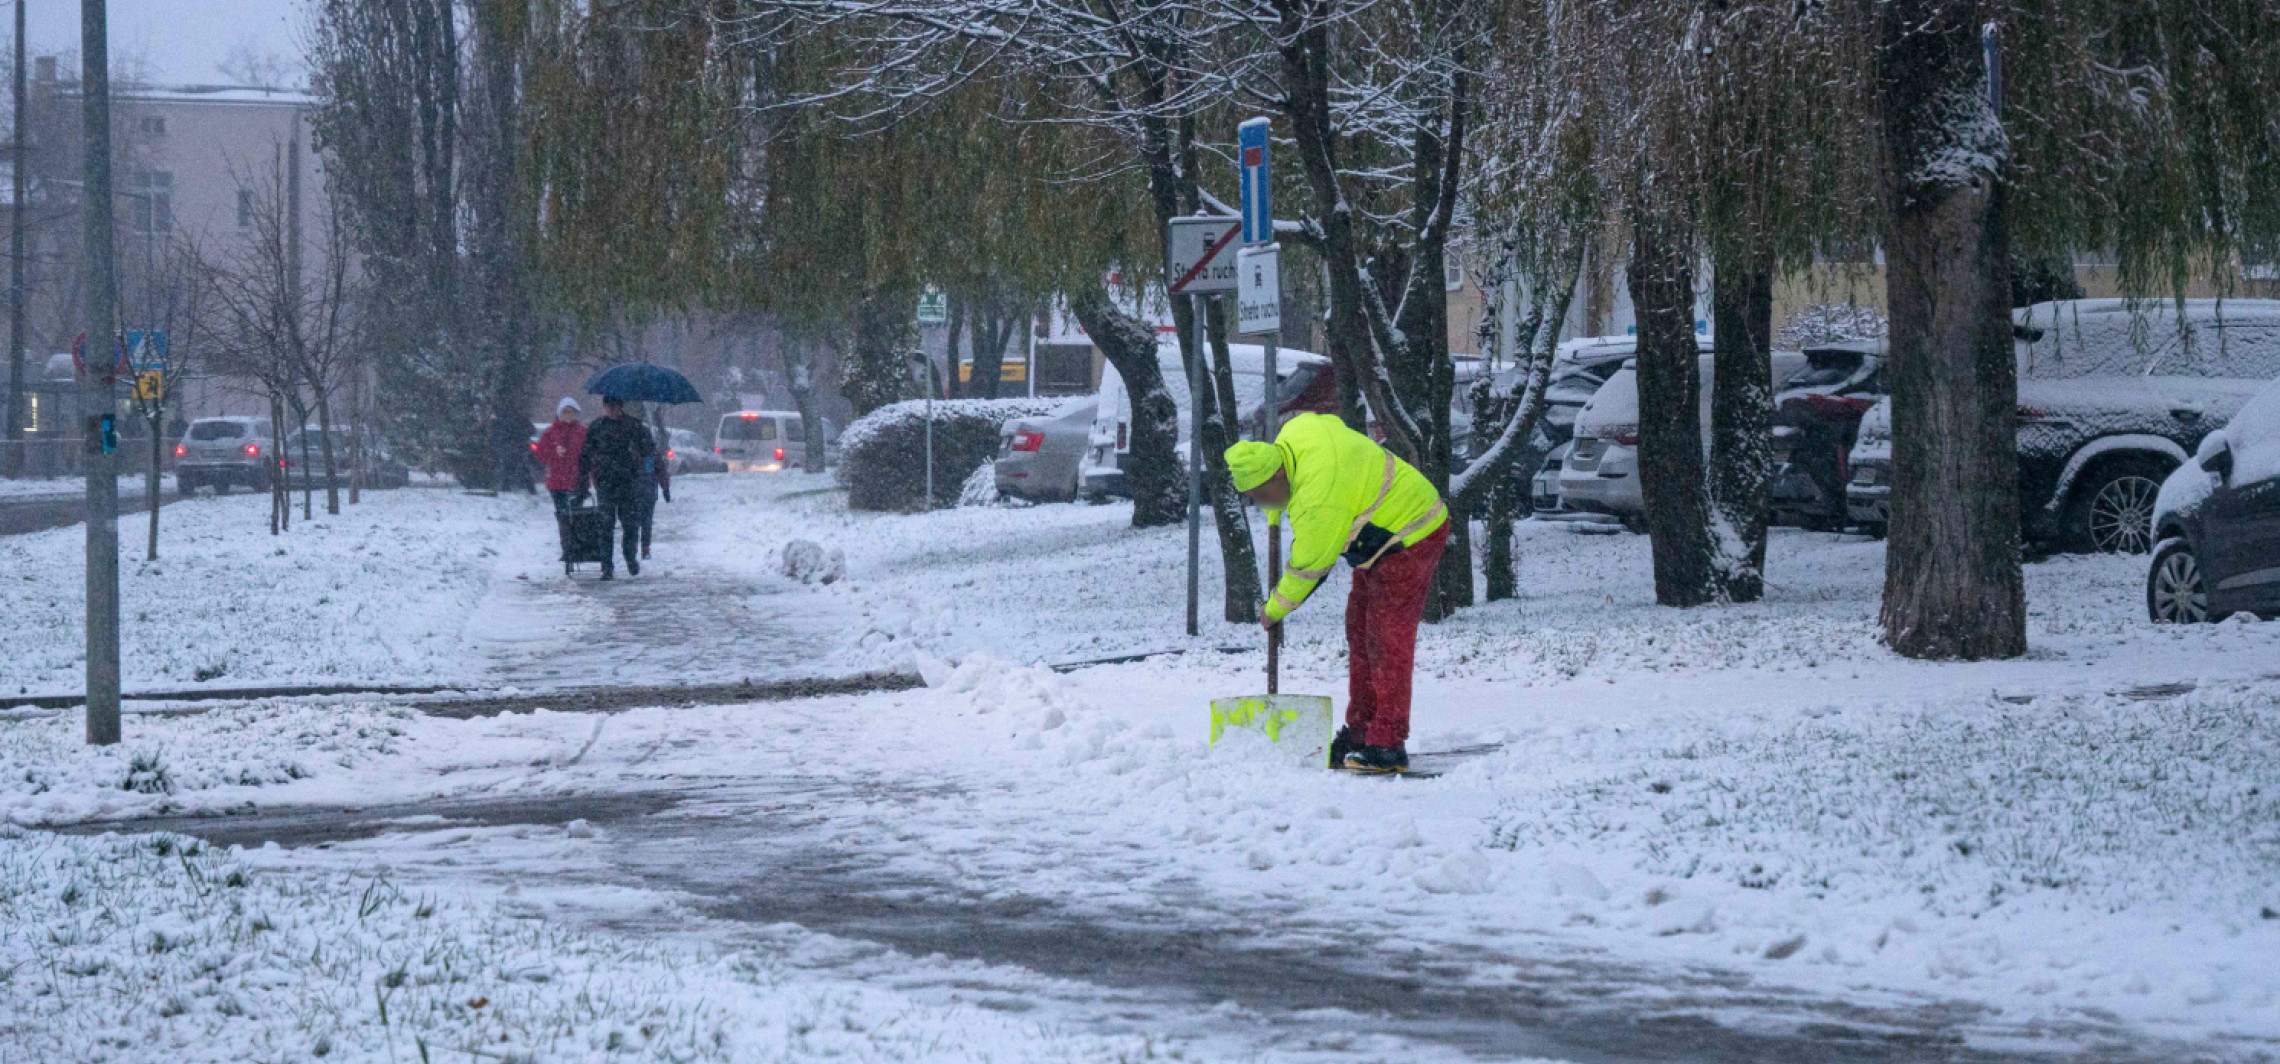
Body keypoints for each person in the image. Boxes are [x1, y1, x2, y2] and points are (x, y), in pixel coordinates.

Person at [1226, 413, 1449, 774]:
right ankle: (1360, 733)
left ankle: (1388, 743)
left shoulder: (1318, 500)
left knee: (1385, 638)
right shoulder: (1296, 433)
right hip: (1379, 539)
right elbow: (1325, 420)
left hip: (1413, 529)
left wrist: (1273, 610)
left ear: (1277, 474)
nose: (1261, 503)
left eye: (1261, 495)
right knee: (1360, 631)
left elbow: (1309, 568)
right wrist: (1274, 508)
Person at [576, 396, 657, 580]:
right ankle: (607, 566)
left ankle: (630, 557)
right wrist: (583, 480)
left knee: (630, 525)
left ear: (621, 407)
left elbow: (649, 449)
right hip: (605, 483)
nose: (612, 410)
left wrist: (642, 457)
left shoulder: (633, 426)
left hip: (629, 482)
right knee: (605, 526)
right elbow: (586, 454)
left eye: (615, 406)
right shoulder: (597, 427)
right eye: (608, 407)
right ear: (604, 408)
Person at [536, 398, 587, 559]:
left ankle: (576, 545)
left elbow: (589, 455)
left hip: (577, 481)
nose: (568, 415)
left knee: (576, 516)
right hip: (557, 482)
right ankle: (567, 548)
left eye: (571, 411)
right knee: (563, 516)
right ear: (559, 413)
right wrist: (553, 450)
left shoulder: (582, 432)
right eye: (565, 411)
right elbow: (540, 455)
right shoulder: (550, 433)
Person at [630, 409, 671, 560]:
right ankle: (641, 547)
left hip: (644, 493)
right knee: (641, 522)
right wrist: (665, 488)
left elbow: (661, 472)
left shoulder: (650, 455)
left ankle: (642, 547)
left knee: (640, 521)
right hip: (640, 492)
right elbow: (661, 472)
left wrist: (665, 487)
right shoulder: (649, 454)